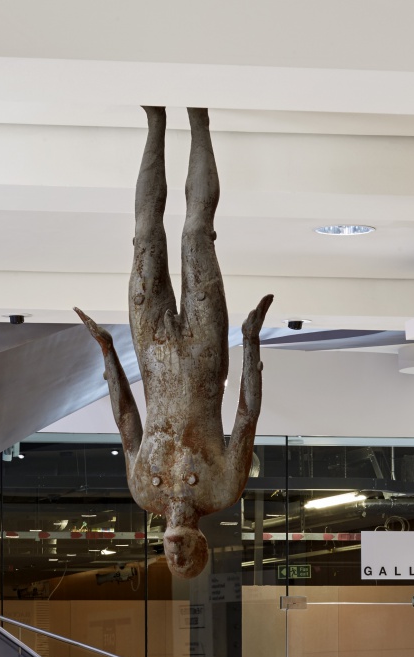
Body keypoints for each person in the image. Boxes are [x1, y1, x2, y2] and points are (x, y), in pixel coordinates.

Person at [75, 106, 273, 580]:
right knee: (195, 233)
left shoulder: (145, 490)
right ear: (202, 543)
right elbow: (246, 416)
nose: (177, 555)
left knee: (145, 234)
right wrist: (250, 343)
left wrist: (107, 352)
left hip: (153, 349)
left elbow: (127, 419)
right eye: (187, 556)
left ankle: (156, 123)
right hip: (205, 356)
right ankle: (200, 121)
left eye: (170, 557)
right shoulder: (222, 490)